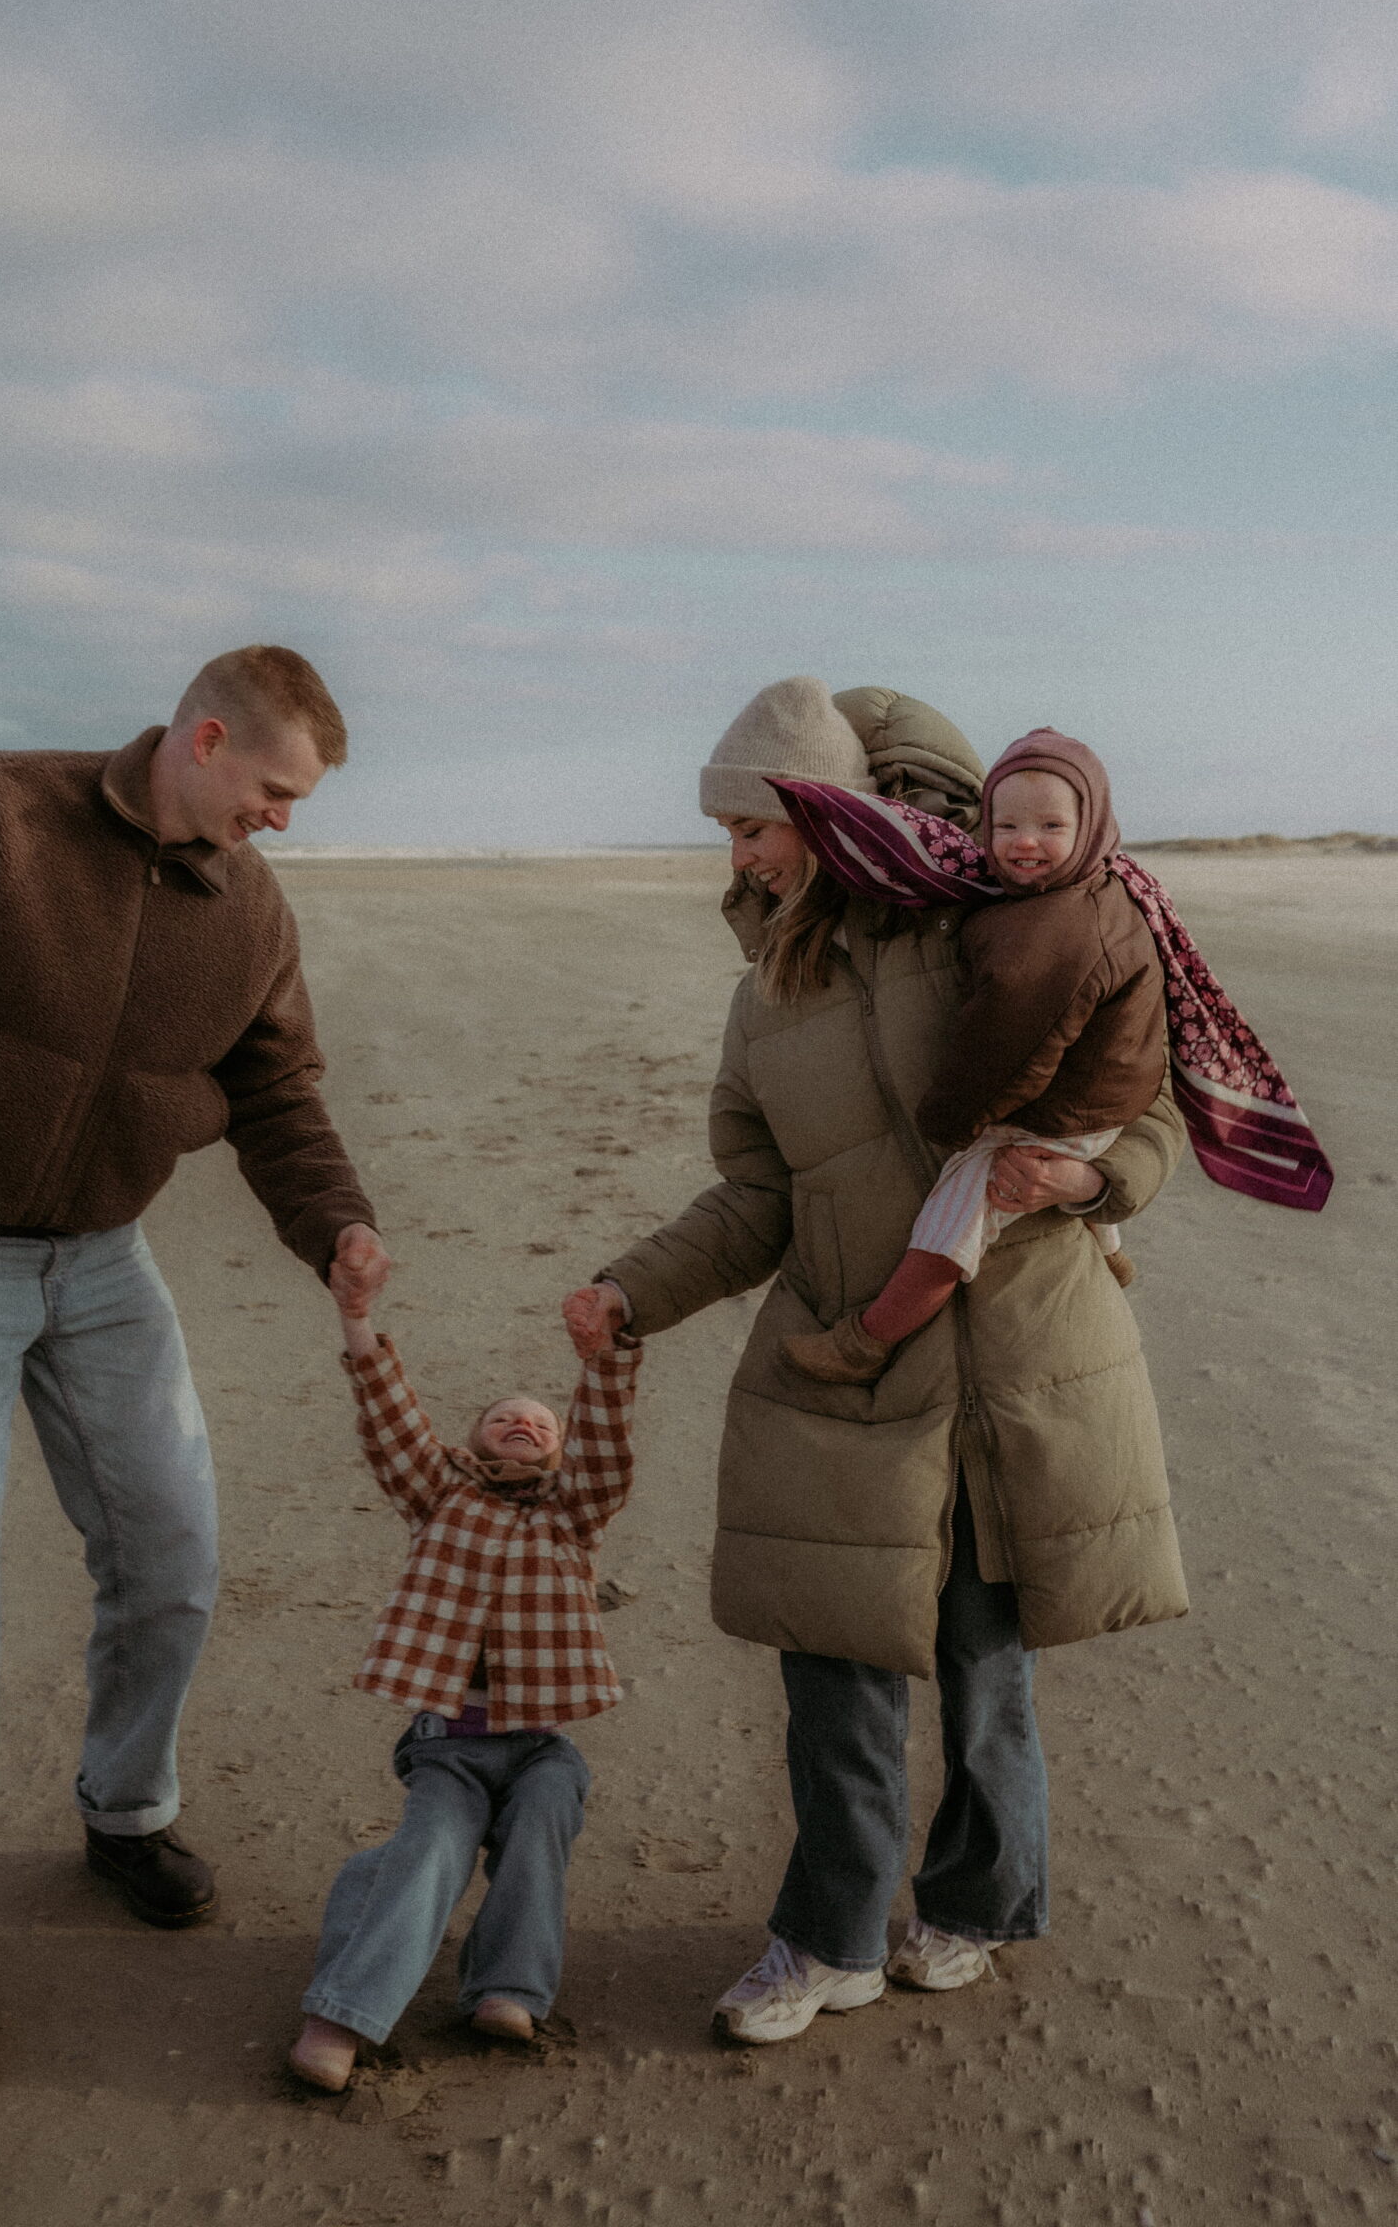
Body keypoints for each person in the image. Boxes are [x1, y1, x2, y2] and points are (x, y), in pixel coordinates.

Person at [0, 645, 392, 2081]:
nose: (281, 822)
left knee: (171, 1552)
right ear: (205, 737)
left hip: (103, 1261)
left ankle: (123, 1809)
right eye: (272, 792)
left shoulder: (248, 909)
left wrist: (331, 1222)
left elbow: (275, 1089)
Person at [563, 678, 1188, 2042]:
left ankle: (975, 1902)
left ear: (815, 810)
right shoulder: (759, 1001)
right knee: (829, 1664)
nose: (734, 859)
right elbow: (754, 1202)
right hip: (842, 1367)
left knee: (979, 1663)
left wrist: (1086, 1187)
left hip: (1010, 1365)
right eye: (725, 837)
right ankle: (828, 1940)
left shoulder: (986, 929)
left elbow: (1140, 1106)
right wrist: (630, 1289)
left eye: (748, 827)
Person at [288, 1295, 641, 2092]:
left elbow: (609, 1450)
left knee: (544, 1821)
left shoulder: (571, 1515)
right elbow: (387, 1418)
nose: (524, 1424)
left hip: (540, 1743)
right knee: (434, 1846)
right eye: (504, 1419)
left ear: (560, 1454)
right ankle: (340, 2013)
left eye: (542, 1425)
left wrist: (604, 1363)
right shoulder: (438, 1493)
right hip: (449, 1740)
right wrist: (355, 1320)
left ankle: (508, 1989)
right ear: (470, 1441)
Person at [782, 728, 1165, 1383]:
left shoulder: (1052, 932)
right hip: (1101, 1100)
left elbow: (1006, 1054)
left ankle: (867, 1341)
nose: (1022, 842)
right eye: (1005, 823)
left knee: (949, 1221)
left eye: (1050, 824)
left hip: (1064, 1114)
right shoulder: (1096, 891)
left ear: (1092, 824)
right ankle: (1111, 1254)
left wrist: (950, 1127)